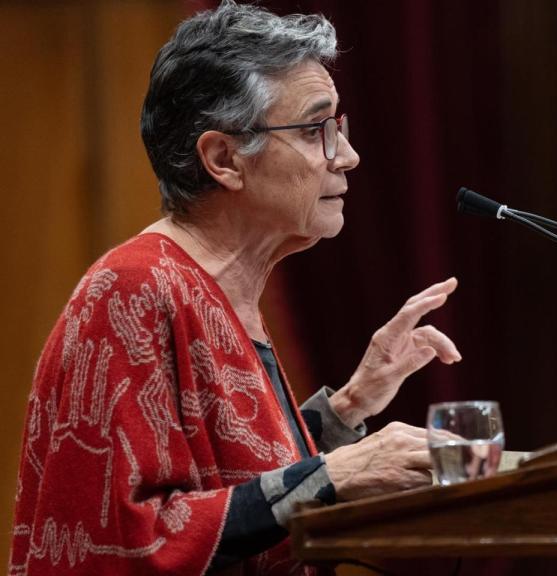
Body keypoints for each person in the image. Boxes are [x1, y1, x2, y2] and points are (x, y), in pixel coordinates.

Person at [9, 2, 461, 574]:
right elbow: (127, 539)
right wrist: (338, 474)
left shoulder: (216, 289)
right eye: (314, 129)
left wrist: (347, 407)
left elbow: (230, 488)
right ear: (224, 159)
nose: (346, 155)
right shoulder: (134, 290)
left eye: (338, 127)